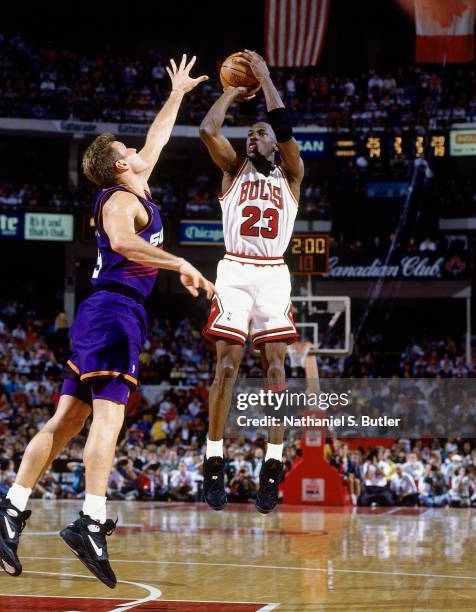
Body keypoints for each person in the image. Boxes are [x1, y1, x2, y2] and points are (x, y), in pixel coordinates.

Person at [0, 54, 214, 588]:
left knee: (67, 420)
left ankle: (9, 509)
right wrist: (178, 262)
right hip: (115, 311)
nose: (137, 150)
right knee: (109, 418)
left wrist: (177, 93)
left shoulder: (136, 184)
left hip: (101, 314)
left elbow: (157, 140)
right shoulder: (115, 201)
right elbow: (127, 243)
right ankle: (91, 519)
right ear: (118, 166)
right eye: (127, 150)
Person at [199, 49, 303, 514]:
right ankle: (215, 460)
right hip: (236, 269)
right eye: (249, 134)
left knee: (276, 373)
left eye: (259, 133)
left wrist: (264, 77)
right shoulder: (231, 170)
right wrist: (228, 92)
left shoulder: (293, 176)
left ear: (273, 144)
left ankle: (272, 465)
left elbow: (285, 129)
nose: (252, 138)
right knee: (225, 370)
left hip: (274, 274)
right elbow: (207, 130)